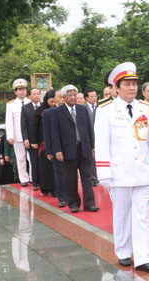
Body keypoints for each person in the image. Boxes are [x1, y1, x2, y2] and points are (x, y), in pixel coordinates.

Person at [95, 62, 149, 273]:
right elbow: (102, 144)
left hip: (143, 171)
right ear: (116, 88)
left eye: (134, 84)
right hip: (119, 172)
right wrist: (104, 173)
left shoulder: (146, 109)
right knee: (122, 214)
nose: (131, 88)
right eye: (127, 84)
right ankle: (123, 251)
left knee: (142, 215)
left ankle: (143, 258)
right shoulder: (106, 110)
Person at [51, 84, 99, 213]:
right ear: (64, 97)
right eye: (70, 95)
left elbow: (89, 129)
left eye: (74, 95)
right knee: (70, 178)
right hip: (67, 150)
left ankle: (90, 204)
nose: (73, 97)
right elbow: (54, 133)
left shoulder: (82, 109)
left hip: (84, 148)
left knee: (87, 178)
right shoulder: (57, 112)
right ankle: (73, 203)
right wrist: (57, 150)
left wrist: (92, 146)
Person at [43, 90, 67, 208]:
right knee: (59, 174)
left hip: (70, 148)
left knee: (70, 174)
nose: (62, 99)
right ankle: (62, 197)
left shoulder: (71, 110)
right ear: (55, 99)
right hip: (56, 148)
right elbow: (47, 133)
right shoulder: (48, 113)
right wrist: (49, 150)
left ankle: (71, 195)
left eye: (63, 97)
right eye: (59, 97)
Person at [6, 79, 31, 186]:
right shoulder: (11, 104)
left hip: (30, 136)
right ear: (15, 92)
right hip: (18, 135)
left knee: (32, 158)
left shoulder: (30, 102)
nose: (22, 92)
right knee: (20, 158)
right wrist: (10, 136)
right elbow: (9, 121)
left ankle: (33, 177)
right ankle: (23, 179)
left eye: (24, 89)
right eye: (19, 90)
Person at [30, 90, 57, 196]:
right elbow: (34, 126)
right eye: (51, 101)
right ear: (46, 100)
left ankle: (55, 188)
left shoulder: (58, 109)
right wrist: (34, 140)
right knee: (45, 166)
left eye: (55, 101)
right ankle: (46, 187)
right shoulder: (41, 111)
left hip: (55, 141)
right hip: (43, 142)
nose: (53, 104)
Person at [21, 88, 41, 190]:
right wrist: (26, 139)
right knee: (34, 162)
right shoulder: (25, 108)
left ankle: (44, 182)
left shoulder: (44, 107)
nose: (36, 96)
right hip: (31, 139)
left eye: (38, 94)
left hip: (43, 140)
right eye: (34, 94)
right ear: (30, 96)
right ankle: (35, 182)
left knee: (44, 161)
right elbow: (23, 125)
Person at [85, 89, 99, 186]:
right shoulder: (83, 108)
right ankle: (93, 178)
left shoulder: (100, 107)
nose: (94, 98)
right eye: (92, 96)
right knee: (91, 158)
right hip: (89, 136)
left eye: (95, 96)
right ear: (87, 98)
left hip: (99, 135)